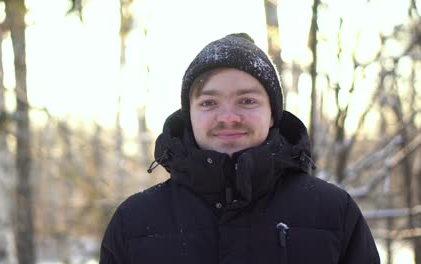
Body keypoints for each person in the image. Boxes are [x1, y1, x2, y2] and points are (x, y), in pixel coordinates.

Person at [99, 33, 380, 264]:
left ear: (272, 114)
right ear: (190, 116)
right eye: (209, 103)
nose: (228, 117)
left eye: (246, 101)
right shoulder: (134, 221)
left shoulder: (333, 212)